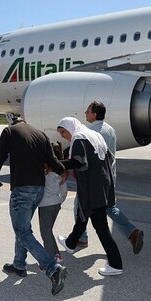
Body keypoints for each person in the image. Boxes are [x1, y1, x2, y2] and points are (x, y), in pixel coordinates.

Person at [0, 117, 69, 296]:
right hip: (39, 190)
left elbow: (0, 157)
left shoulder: (9, 131)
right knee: (23, 228)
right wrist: (63, 171)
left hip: (22, 189)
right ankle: (19, 265)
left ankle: (53, 268)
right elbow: (52, 160)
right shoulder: (40, 135)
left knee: (22, 231)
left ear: (14, 123)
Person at [56, 117, 124, 277]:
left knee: (100, 226)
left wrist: (56, 164)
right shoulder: (94, 135)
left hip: (93, 188)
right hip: (102, 183)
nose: (63, 136)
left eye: (63, 132)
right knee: (83, 214)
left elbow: (78, 162)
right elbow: (110, 157)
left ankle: (116, 264)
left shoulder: (79, 138)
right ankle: (71, 243)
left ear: (69, 127)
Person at [80, 101, 144, 254]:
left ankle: (81, 237)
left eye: (88, 111)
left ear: (94, 114)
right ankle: (132, 232)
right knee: (109, 207)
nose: (85, 113)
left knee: (81, 206)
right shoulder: (110, 130)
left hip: (95, 180)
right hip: (110, 176)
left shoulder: (91, 132)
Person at [38, 141, 68, 264]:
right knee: (48, 230)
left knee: (45, 232)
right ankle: (56, 254)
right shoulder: (61, 174)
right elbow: (64, 191)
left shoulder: (46, 175)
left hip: (45, 205)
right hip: (56, 204)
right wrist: (59, 201)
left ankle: (50, 259)